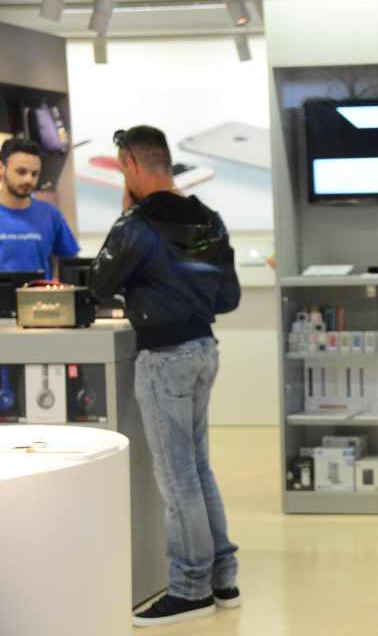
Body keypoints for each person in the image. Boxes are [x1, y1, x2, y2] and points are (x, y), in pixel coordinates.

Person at [88, 125, 242, 628]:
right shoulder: (208, 219)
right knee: (198, 469)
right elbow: (228, 298)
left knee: (178, 479)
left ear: (130, 166)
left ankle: (189, 589)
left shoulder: (136, 225)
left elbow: (98, 283)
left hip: (163, 358)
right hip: (204, 350)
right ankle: (223, 579)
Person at [0, 138, 79, 278]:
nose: (29, 180)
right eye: (21, 172)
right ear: (1, 168)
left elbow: (71, 265)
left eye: (34, 174)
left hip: (41, 299)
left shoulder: (51, 215)